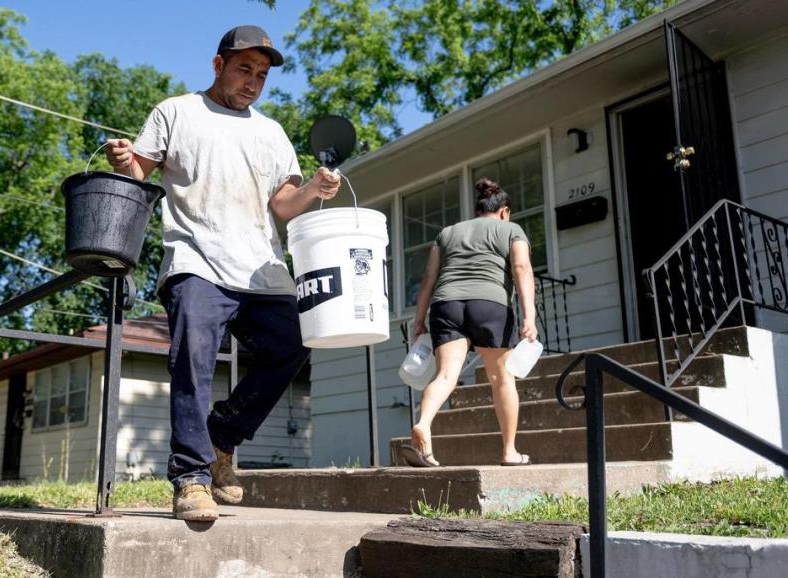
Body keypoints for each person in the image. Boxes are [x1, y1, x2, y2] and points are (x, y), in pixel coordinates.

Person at [105, 25, 341, 521]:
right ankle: (190, 477)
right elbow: (138, 176)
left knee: (292, 347)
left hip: (261, 269)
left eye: (261, 74)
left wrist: (315, 189)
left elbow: (284, 206)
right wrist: (124, 160)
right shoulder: (176, 112)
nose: (252, 81)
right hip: (195, 260)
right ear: (218, 65)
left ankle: (221, 438)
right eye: (243, 69)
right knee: (192, 359)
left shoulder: (270, 132)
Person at [399, 178, 536, 468]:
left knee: (446, 376)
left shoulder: (448, 233)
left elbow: (428, 277)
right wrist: (529, 316)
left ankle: (424, 424)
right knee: (501, 378)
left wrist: (419, 319)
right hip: (490, 305)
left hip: (446, 305)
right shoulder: (511, 229)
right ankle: (510, 452)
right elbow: (522, 268)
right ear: (504, 211)